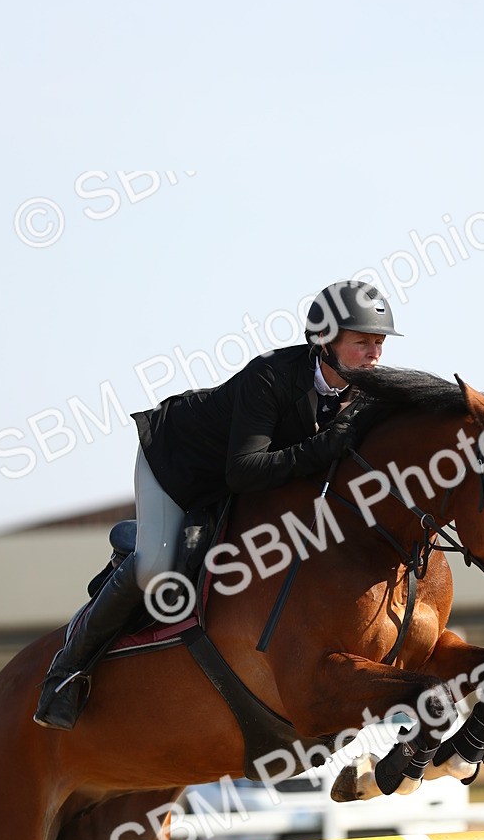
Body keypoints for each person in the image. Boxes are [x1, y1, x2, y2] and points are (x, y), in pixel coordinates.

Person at [34, 280, 402, 730]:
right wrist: (327, 446)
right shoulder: (270, 376)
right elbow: (244, 471)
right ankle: (67, 670)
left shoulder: (366, 394)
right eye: (362, 342)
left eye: (379, 343)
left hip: (243, 486)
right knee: (156, 566)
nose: (374, 355)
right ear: (324, 340)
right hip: (178, 466)